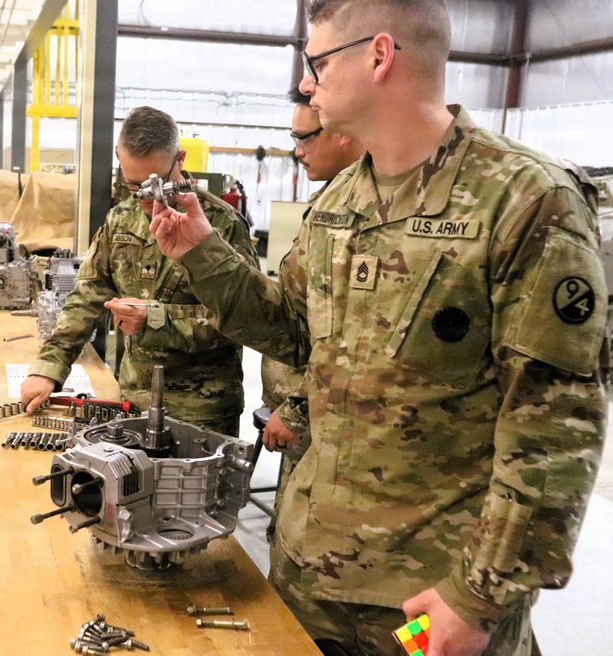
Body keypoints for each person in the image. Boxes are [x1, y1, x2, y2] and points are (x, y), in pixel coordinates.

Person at [149, 1, 608, 655]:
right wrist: (203, 252)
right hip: (309, 571)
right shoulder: (340, 204)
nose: (307, 83)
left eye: (318, 62)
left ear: (380, 54)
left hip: (425, 601)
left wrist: (478, 601)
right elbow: (291, 335)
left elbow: (556, 432)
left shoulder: (526, 201)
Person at [20, 106, 258, 437]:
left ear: (181, 158)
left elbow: (248, 320)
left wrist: (156, 320)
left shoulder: (222, 225)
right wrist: (48, 368)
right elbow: (88, 294)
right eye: (135, 187)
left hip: (202, 414)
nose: (147, 198)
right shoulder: (121, 219)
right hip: (133, 402)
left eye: (156, 184)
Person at [261, 87, 365, 470]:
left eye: (304, 137)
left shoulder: (368, 211)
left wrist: (297, 409)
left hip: (329, 420)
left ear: (343, 131)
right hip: (300, 408)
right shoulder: (327, 204)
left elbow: (353, 334)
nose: (297, 150)